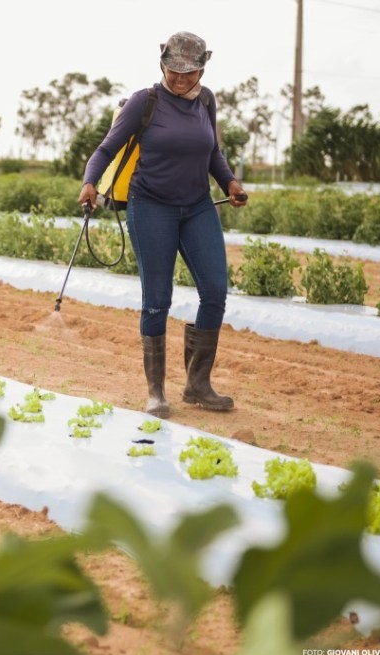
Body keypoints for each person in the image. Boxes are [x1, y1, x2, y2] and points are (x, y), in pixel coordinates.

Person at [77, 31, 246, 417]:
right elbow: (107, 148)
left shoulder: (206, 101)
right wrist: (89, 182)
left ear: (203, 69)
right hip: (151, 207)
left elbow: (212, 153)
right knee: (157, 301)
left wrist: (231, 182)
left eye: (189, 72)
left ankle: (198, 385)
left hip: (198, 206)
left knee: (216, 290)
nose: (180, 79)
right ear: (163, 65)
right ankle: (156, 391)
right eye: (174, 71)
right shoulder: (145, 102)